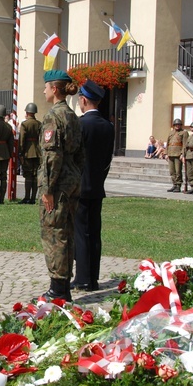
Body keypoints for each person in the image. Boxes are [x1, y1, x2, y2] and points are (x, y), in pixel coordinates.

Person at [38, 70, 84, 301]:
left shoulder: (53, 116)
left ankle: (57, 290)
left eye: (46, 86)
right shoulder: (73, 116)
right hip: (72, 181)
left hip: (57, 185)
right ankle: (63, 287)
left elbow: (51, 156)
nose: (44, 90)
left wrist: (48, 189)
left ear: (54, 89)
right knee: (67, 232)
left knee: (54, 234)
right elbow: (81, 155)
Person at [71, 80, 113, 292]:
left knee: (81, 234)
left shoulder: (81, 124)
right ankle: (93, 277)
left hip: (79, 186)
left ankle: (83, 278)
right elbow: (107, 159)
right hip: (97, 185)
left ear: (84, 100)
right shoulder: (108, 126)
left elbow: (73, 157)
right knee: (94, 233)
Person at [19, 102, 41, 204]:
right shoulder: (39, 124)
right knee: (35, 175)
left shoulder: (24, 124)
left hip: (28, 152)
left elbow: (22, 140)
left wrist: (21, 152)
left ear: (27, 112)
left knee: (28, 176)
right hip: (37, 152)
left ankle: (27, 197)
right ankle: (33, 198)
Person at [166, 118, 188, 192]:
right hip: (170, 153)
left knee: (178, 171)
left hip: (178, 154)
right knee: (172, 171)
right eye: (176, 125)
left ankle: (178, 185)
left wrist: (182, 154)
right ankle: (174, 184)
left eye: (179, 125)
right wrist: (166, 153)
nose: (177, 126)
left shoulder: (184, 133)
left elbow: (184, 144)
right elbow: (168, 143)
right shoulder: (171, 133)